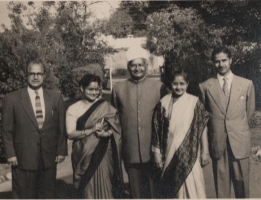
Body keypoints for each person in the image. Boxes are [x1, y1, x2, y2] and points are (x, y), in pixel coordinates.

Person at [1, 59, 67, 199]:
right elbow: (6, 130)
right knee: (24, 195)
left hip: (48, 157)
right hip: (22, 158)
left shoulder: (55, 97)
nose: (35, 77)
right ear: (26, 75)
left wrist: (61, 151)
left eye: (39, 73)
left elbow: (61, 127)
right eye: (32, 73)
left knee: (48, 194)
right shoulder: (12, 99)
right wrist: (10, 154)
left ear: (44, 75)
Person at [111, 45, 167, 198]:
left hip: (154, 150)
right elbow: (113, 119)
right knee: (136, 193)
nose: (137, 68)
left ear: (146, 66)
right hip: (130, 150)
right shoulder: (118, 89)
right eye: (133, 65)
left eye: (140, 65)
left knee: (155, 191)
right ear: (128, 67)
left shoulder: (159, 87)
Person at [199, 47, 255, 198]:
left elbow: (249, 112)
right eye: (217, 61)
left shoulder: (246, 84)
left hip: (239, 141)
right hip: (218, 142)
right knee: (221, 188)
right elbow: (204, 117)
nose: (221, 64)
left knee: (242, 186)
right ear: (213, 63)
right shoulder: (205, 86)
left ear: (230, 60)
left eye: (224, 60)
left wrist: (236, 127)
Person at [152, 69, 209, 198]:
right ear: (170, 84)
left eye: (182, 84)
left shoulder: (195, 102)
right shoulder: (163, 103)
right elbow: (156, 128)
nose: (179, 87)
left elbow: (203, 127)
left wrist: (205, 151)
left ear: (187, 84)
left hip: (191, 154)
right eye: (175, 84)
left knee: (193, 186)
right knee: (172, 188)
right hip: (169, 153)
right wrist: (156, 153)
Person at [66, 74, 124, 199]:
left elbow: (117, 129)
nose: (94, 92)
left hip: (104, 153)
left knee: (106, 186)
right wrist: (91, 130)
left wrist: (107, 134)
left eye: (96, 89)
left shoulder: (106, 107)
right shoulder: (73, 109)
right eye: (90, 89)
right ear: (82, 88)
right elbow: (70, 134)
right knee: (87, 188)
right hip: (83, 154)